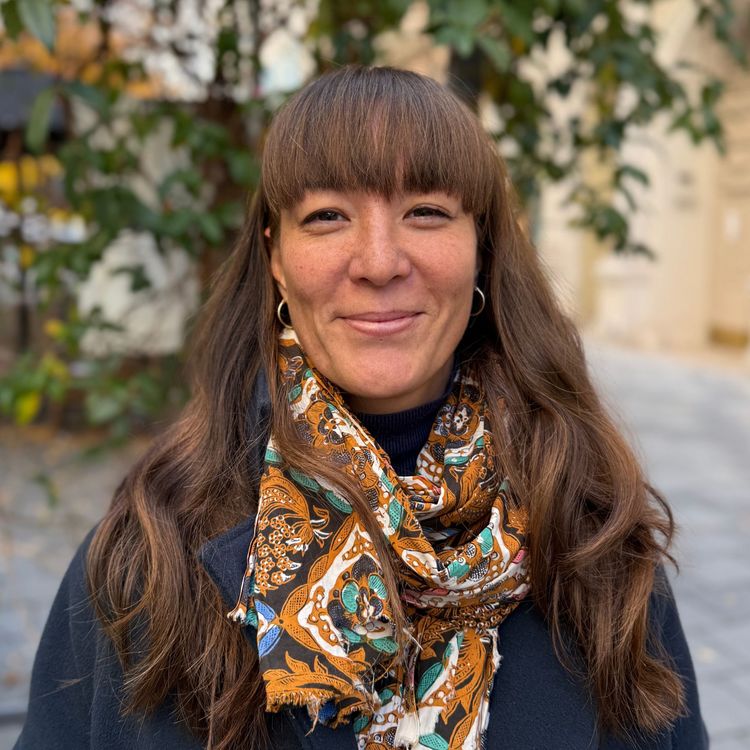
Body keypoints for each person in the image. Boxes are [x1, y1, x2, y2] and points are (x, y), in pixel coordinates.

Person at [15, 65, 707, 750]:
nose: (378, 262)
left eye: (426, 212)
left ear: (482, 249)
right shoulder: (144, 558)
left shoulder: (600, 543)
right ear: (277, 258)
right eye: (327, 217)